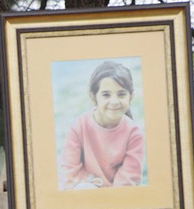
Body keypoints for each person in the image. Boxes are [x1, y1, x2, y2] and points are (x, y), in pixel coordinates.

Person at [59, 60, 145, 190]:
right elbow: (70, 174)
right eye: (106, 95)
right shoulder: (78, 127)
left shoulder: (134, 133)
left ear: (131, 96)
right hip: (85, 193)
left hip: (119, 197)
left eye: (121, 94)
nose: (114, 101)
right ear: (93, 97)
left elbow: (128, 180)